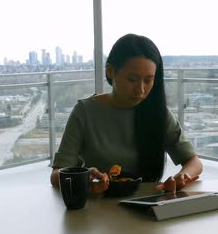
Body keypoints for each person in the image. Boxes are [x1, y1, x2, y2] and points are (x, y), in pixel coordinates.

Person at [50, 33, 203, 194]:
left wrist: (182, 176)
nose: (141, 90)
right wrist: (84, 180)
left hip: (148, 205)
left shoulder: (157, 112)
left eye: (148, 80)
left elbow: (194, 162)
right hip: (98, 207)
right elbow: (56, 174)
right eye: (132, 79)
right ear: (110, 71)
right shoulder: (85, 111)